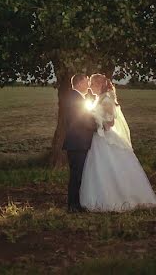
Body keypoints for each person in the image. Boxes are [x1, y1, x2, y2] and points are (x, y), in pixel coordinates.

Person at [79, 73, 156, 212]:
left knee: (110, 166)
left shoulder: (108, 99)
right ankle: (99, 198)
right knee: (97, 168)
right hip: (98, 138)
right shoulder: (99, 98)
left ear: (99, 85)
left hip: (106, 137)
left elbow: (110, 122)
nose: (90, 87)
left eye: (92, 84)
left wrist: (97, 121)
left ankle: (119, 199)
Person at [62, 72, 97, 212]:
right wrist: (98, 126)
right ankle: (73, 206)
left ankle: (76, 204)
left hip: (77, 142)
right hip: (77, 143)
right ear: (80, 82)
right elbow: (82, 120)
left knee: (79, 174)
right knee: (77, 175)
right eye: (87, 81)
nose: (89, 84)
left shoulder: (77, 97)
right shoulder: (75, 98)